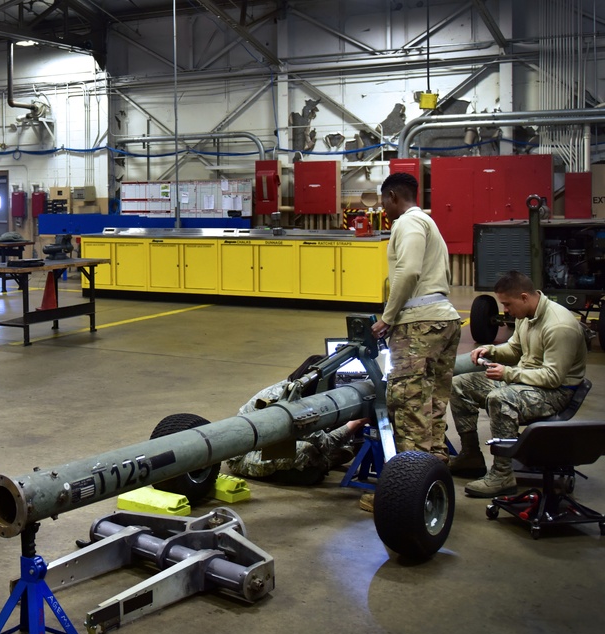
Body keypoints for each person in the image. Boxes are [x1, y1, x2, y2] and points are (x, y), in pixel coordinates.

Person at [367, 172, 461, 511]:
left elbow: (407, 273)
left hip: (419, 325)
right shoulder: (428, 223)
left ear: (393, 196)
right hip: (444, 321)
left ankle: (409, 496)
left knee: (409, 408)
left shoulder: (406, 224)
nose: (382, 207)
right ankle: (434, 488)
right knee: (433, 406)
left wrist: (388, 318)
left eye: (382, 200)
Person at [450, 270, 586, 498]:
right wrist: (490, 350)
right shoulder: (526, 316)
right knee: (460, 384)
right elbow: (515, 349)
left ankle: (503, 475)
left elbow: (552, 378)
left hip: (555, 393)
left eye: (507, 304)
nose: (504, 310)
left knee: (500, 399)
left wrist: (508, 374)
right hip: (527, 381)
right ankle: (471, 456)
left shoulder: (559, 326)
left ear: (524, 297)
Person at [226, 378, 366, 485]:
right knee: (308, 451)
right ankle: (317, 467)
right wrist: (358, 422)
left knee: (341, 447)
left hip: (266, 443)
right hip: (242, 458)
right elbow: (327, 443)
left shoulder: (293, 386)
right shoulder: (297, 408)